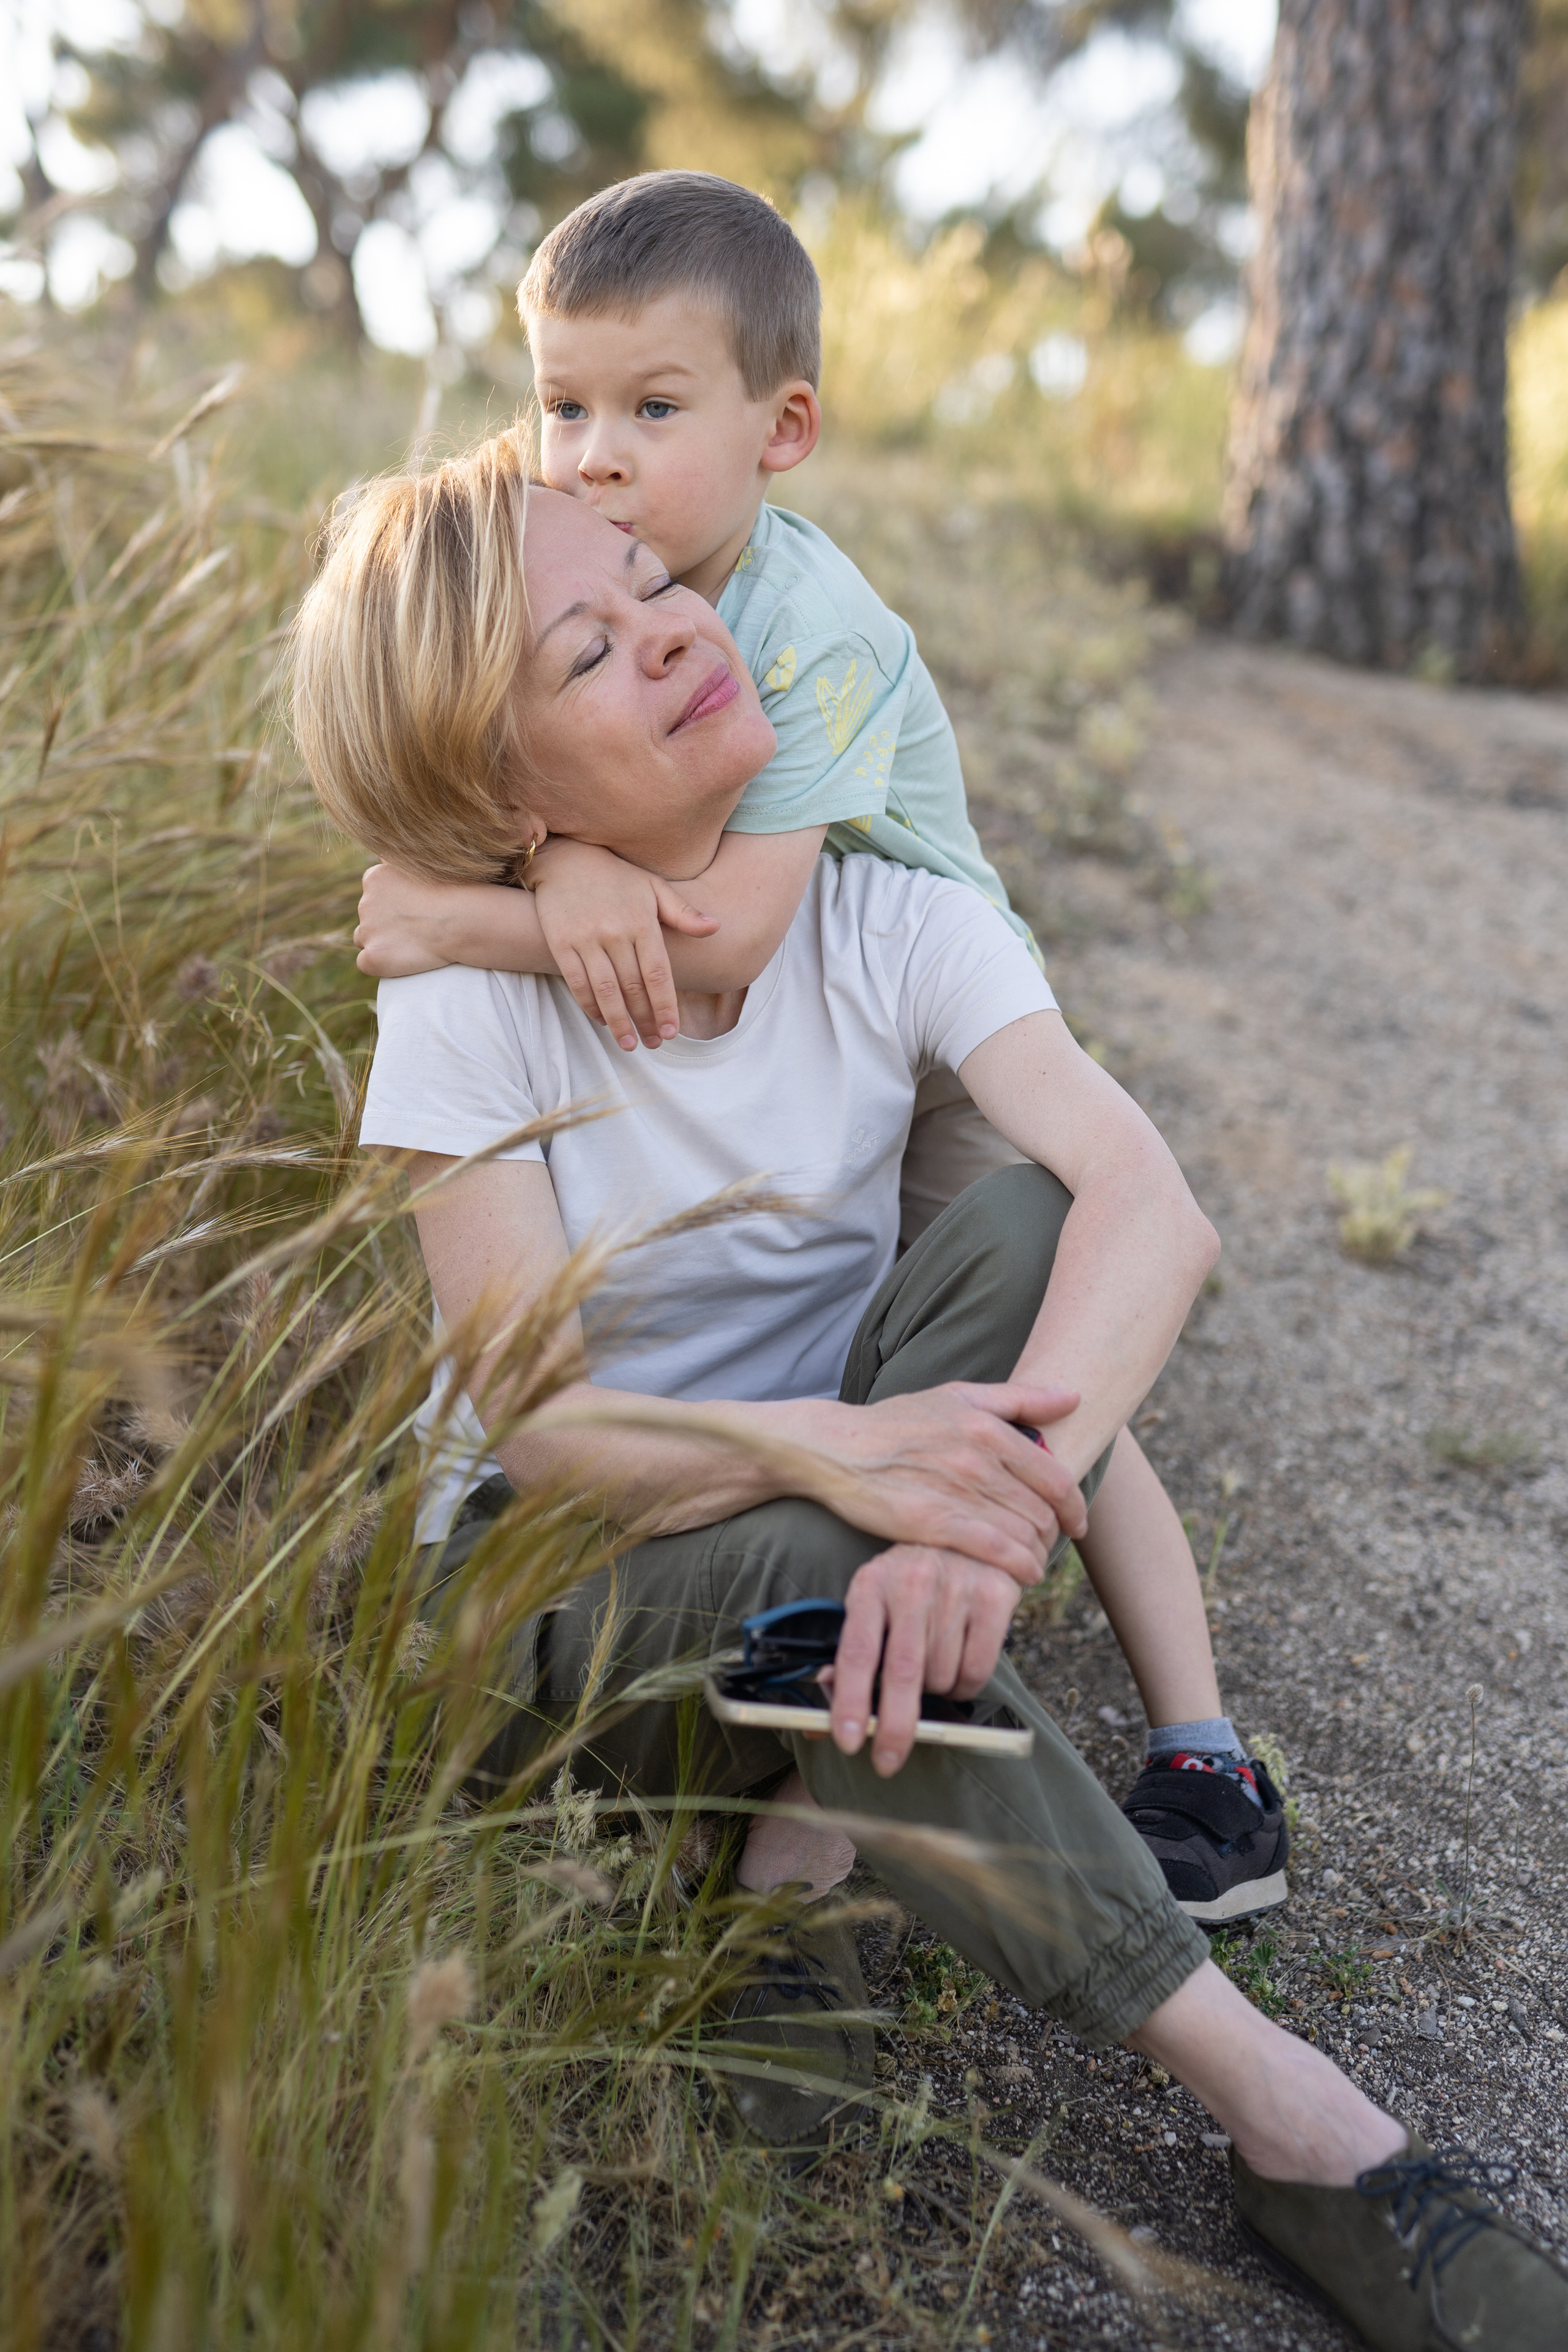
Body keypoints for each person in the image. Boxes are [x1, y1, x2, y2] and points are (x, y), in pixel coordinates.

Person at [290, 444, 1566, 2351]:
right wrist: (859, 1462)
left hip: (835, 1553)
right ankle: (1292, 2116)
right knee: (821, 1535)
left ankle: (804, 1849)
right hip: (557, 1619)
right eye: (589, 650)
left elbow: (1154, 1208)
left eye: (653, 579)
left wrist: (979, 1500)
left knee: (1034, 1215)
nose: (670, 635)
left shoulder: (883, 922)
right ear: (502, 801)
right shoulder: (473, 1006)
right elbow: (546, 1432)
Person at [350, 170, 1283, 1931]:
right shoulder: (615, 594)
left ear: (784, 430)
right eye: (561, 406)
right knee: (941, 1373)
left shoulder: (812, 631)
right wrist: (552, 860)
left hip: (915, 1016)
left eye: (648, 409)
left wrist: (482, 915)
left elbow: (727, 958)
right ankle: (831, 1670)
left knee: (1040, 1335)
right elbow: (517, 770)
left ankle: (1198, 1743)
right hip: (813, 1000)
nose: (591, 458)